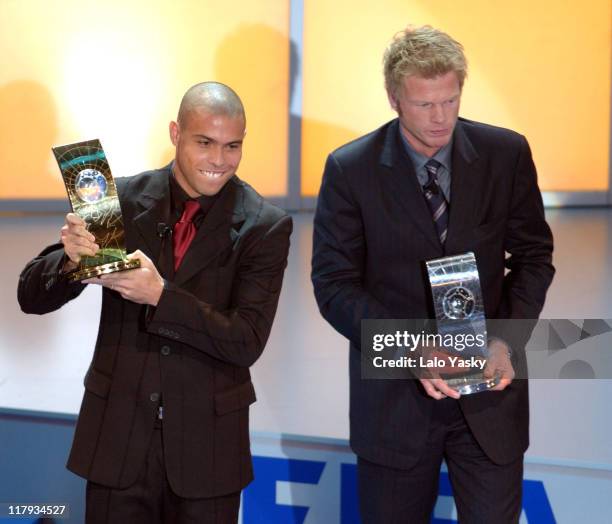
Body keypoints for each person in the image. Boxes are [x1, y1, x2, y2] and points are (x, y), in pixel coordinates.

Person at [18, 82, 292, 523]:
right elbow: (29, 295)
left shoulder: (265, 226)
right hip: (118, 443)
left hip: (208, 455)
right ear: (175, 133)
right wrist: (69, 262)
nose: (219, 160)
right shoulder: (119, 201)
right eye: (205, 143)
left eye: (232, 146)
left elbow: (246, 340)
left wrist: (160, 296)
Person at [311, 26, 554, 523]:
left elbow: (533, 256)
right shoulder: (350, 169)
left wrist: (507, 341)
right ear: (394, 99)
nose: (441, 117)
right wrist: (410, 348)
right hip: (395, 404)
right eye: (425, 105)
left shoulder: (505, 154)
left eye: (451, 99)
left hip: (489, 395)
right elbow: (333, 285)